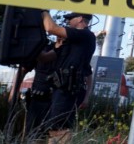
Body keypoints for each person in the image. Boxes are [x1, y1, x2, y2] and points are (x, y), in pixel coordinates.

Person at [40, 11, 96, 143]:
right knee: (54, 126)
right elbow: (45, 57)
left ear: (80, 19)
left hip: (68, 88)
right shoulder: (72, 42)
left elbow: (51, 28)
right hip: (61, 88)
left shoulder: (84, 35)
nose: (68, 22)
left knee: (59, 126)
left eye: (71, 18)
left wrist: (43, 12)